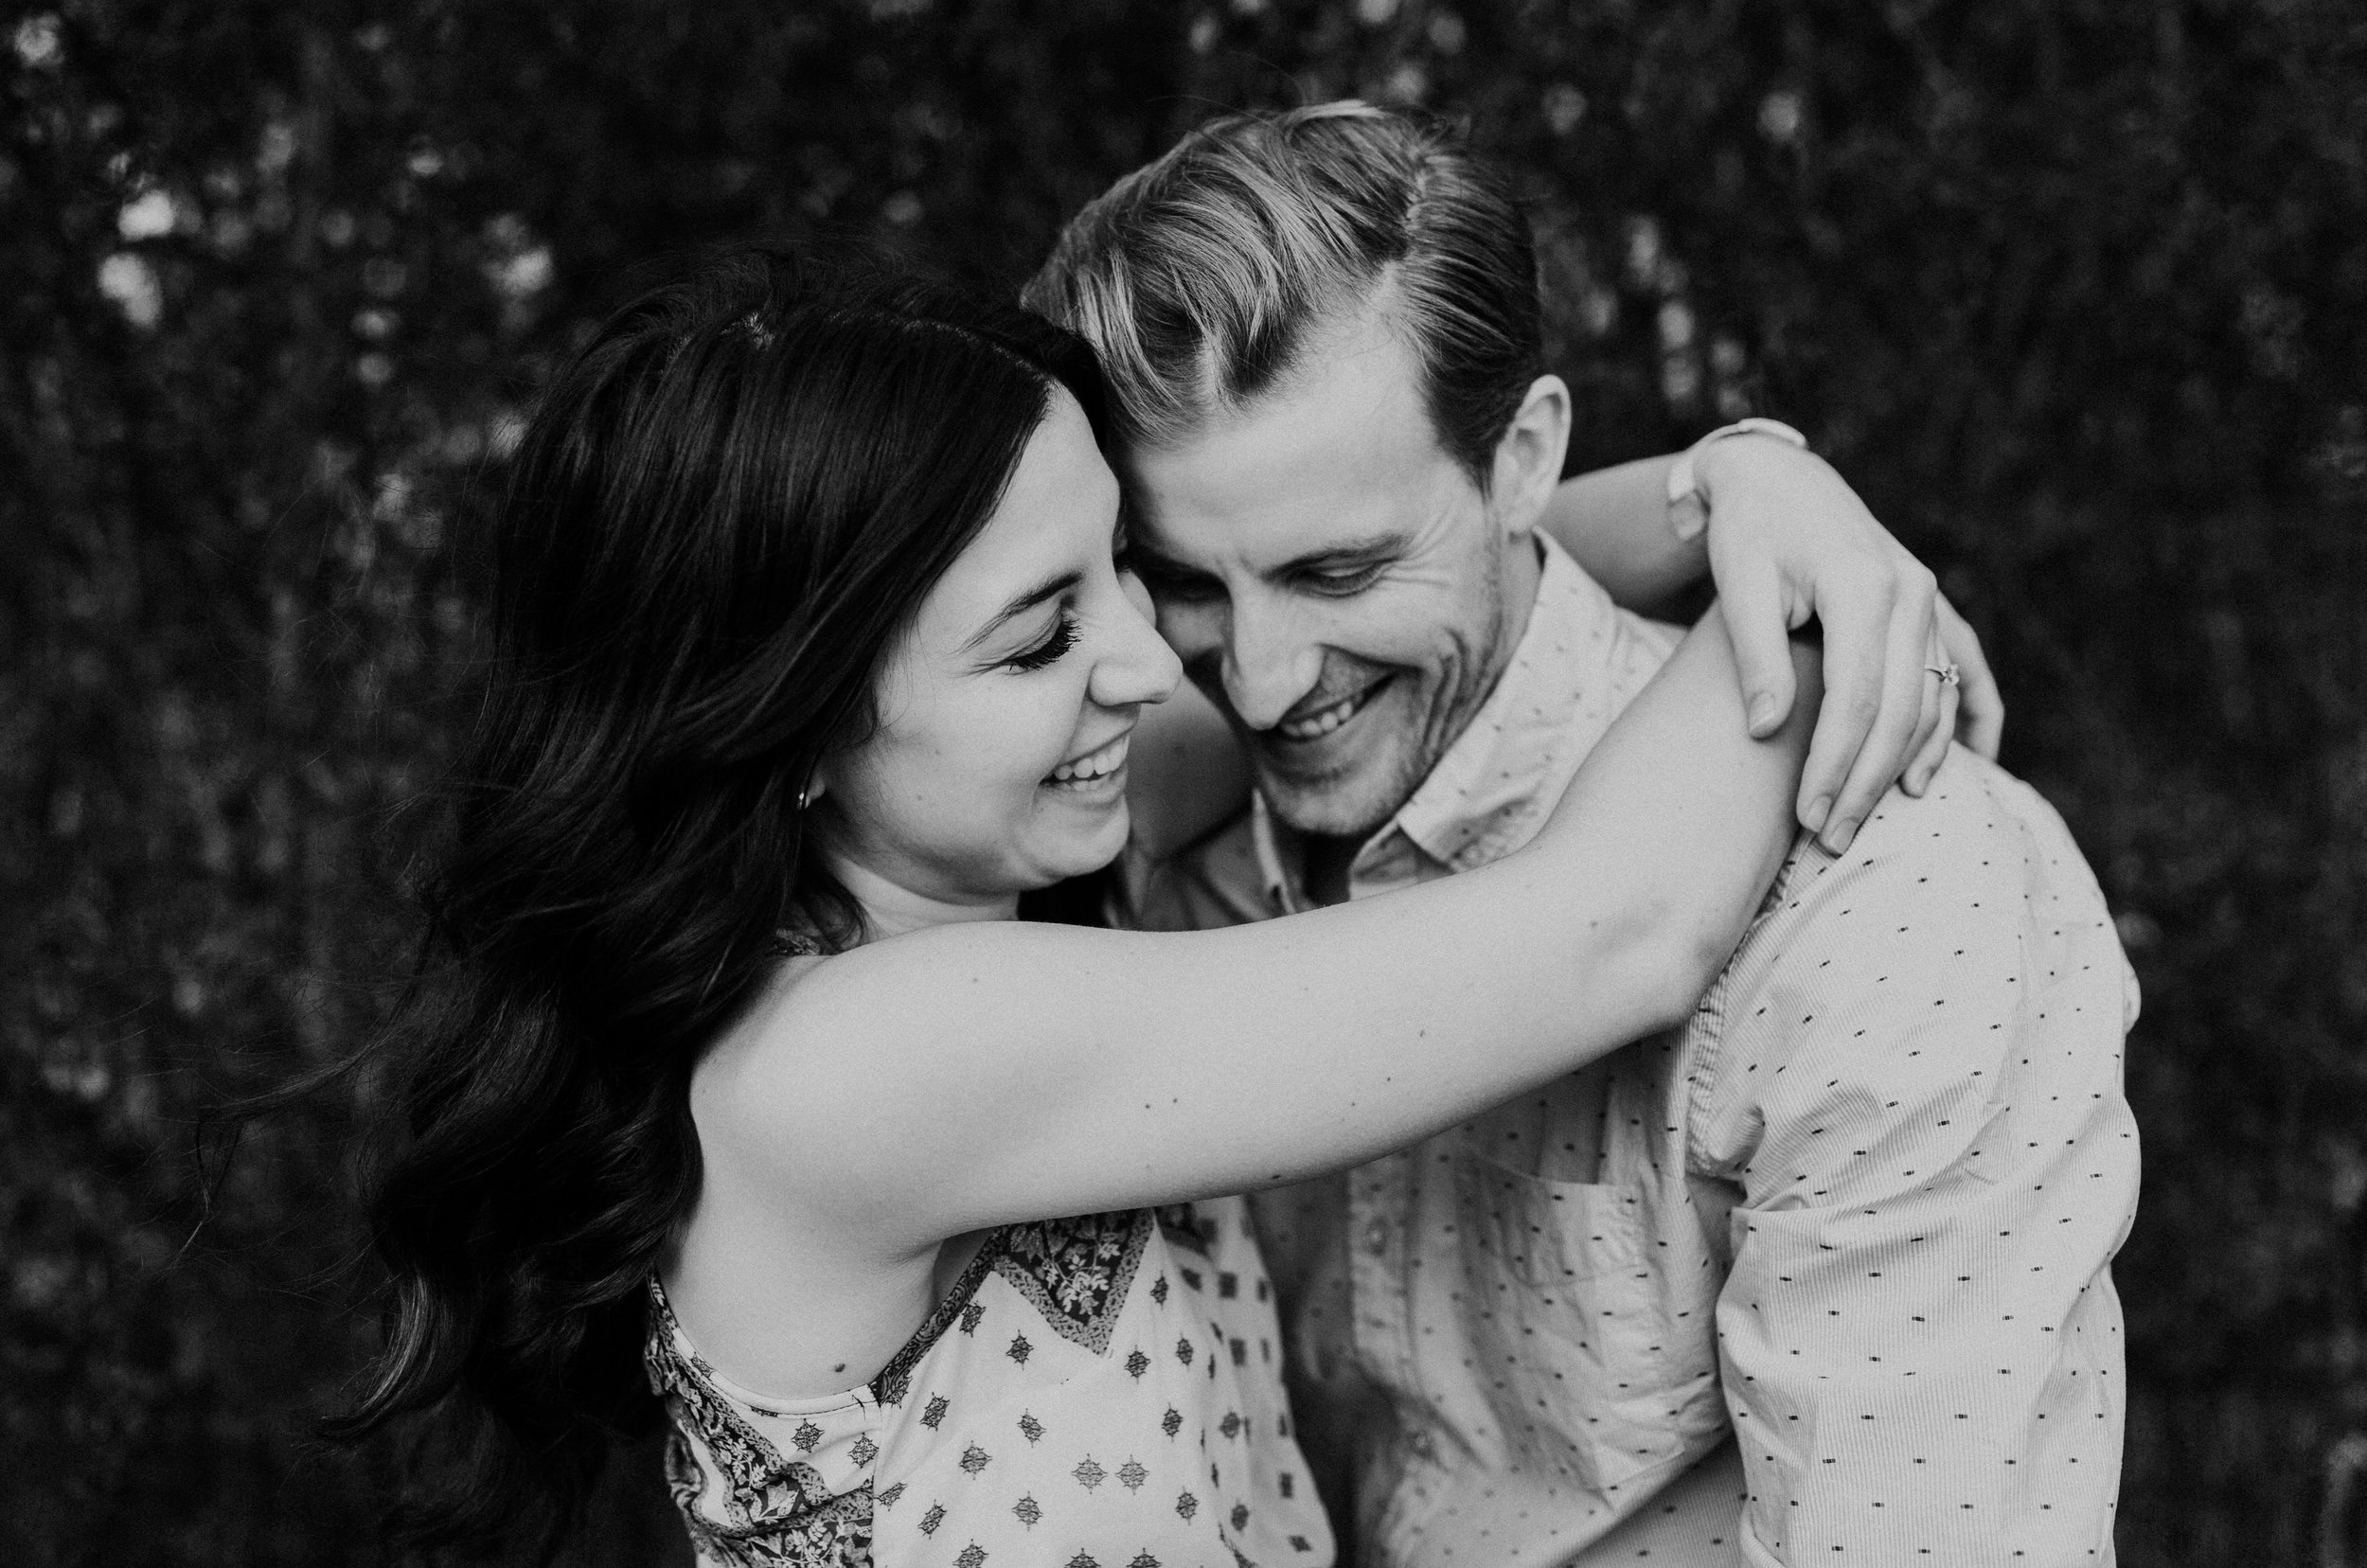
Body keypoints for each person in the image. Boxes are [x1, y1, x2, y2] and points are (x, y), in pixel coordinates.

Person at [339, 246, 1969, 1568]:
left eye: (1135, 566)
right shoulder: (859, 1063)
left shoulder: (961, 865)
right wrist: (1820, 619)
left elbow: (1430, 585)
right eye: (1044, 630)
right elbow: (1622, 928)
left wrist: (1743, 486)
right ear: (797, 729)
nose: (1161, 659)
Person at [1025, 100, 2142, 1565]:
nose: (1261, 675)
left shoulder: (1886, 904)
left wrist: (1746, 474)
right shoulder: (1130, 827)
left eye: (1341, 567)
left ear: (1524, 458)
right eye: (1182, 580)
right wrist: (1734, 472)